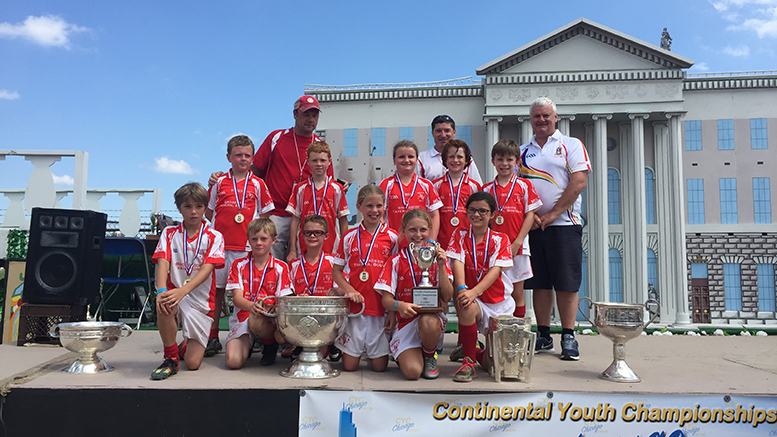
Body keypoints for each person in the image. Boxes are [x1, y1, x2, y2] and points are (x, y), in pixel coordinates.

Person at [210, 95, 340, 261]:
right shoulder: (276, 138)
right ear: (295, 114)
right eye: (306, 114)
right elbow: (253, 170)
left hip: (304, 216)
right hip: (276, 213)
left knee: (302, 263)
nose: (310, 119)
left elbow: (327, 182)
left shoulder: (320, 146)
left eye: (314, 115)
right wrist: (226, 179)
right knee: (270, 261)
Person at [519, 97, 591, 361]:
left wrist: (553, 214)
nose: (541, 120)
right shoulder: (523, 150)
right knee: (540, 283)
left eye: (546, 116)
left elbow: (579, 181)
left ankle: (569, 335)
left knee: (566, 283)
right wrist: (533, 218)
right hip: (534, 227)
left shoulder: (570, 145)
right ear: (531, 120)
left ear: (555, 117)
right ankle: (544, 334)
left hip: (564, 224)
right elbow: (518, 188)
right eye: (537, 116)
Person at [205, 135, 274, 358]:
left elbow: (264, 217)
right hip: (220, 248)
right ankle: (213, 336)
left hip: (246, 248)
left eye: (247, 155)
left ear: (252, 158)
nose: (243, 159)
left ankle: (253, 336)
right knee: (216, 293)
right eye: (238, 155)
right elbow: (209, 212)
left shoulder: (258, 184)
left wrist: (260, 245)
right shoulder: (219, 182)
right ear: (229, 157)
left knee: (248, 293)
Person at [151, 182, 225, 380]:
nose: (193, 211)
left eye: (199, 206)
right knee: (164, 302)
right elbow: (162, 262)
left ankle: (184, 346)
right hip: (175, 295)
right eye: (187, 206)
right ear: (179, 208)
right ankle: (171, 358)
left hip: (201, 302)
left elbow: (207, 270)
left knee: (193, 364)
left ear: (205, 208)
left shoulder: (214, 236)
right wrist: (160, 291)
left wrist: (183, 291)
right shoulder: (169, 233)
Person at [375, 209, 453, 380]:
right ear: (403, 231)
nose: (418, 234)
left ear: (430, 230)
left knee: (429, 321)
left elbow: (447, 296)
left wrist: (440, 266)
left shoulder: (438, 258)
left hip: (430, 322)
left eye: (423, 230)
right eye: (412, 230)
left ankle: (429, 356)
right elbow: (386, 299)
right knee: (412, 373)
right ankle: (407, 355)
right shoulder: (396, 261)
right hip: (405, 322)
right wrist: (399, 306)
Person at [446, 192, 514, 382]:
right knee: (465, 304)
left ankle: (471, 350)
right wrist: (462, 291)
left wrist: (474, 291)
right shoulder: (459, 235)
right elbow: (457, 263)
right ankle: (468, 362)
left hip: (499, 304)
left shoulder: (500, 239)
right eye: (472, 210)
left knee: (498, 365)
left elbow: (495, 271)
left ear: (492, 214)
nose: (477, 215)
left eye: (483, 211)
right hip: (473, 299)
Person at [332, 185, 399, 373]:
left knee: (379, 368)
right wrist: (349, 290)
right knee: (350, 367)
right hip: (356, 309)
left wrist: (393, 310)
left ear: (385, 207)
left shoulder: (393, 238)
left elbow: (397, 275)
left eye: (379, 205)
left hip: (380, 309)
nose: (374, 211)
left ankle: (376, 352)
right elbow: (336, 271)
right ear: (359, 206)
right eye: (369, 206)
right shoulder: (349, 237)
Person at [481, 139, 541, 320]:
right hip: (493, 250)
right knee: (494, 290)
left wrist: (517, 242)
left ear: (517, 162)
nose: (504, 164)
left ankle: (518, 332)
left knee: (517, 291)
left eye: (509, 160)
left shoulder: (525, 186)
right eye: (500, 159)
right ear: (493, 161)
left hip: (518, 247)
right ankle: (496, 331)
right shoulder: (486, 189)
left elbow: (529, 216)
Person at [224, 218, 294, 369]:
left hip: (268, 319)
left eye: (264, 239)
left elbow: (283, 299)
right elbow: (237, 298)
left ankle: (270, 346)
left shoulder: (281, 267)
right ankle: (248, 343)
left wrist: (274, 307)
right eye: (254, 239)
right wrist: (251, 306)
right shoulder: (238, 265)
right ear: (248, 240)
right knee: (233, 362)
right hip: (244, 315)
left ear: (273, 240)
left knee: (258, 320)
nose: (259, 243)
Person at [286, 141, 349, 263]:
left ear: (329, 161)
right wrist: (293, 249)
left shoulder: (337, 188)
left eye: (322, 160)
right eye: (314, 160)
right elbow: (295, 220)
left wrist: (344, 247)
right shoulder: (300, 189)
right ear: (308, 161)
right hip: (304, 245)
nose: (319, 164)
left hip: (331, 246)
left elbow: (343, 219)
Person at [379, 140, 442, 239]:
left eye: (411, 156)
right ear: (394, 160)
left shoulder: (426, 185)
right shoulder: (386, 184)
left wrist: (431, 241)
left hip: (419, 241)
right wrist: (387, 237)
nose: (406, 160)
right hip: (394, 242)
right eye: (401, 157)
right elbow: (379, 214)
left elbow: (434, 216)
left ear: (417, 160)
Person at [432, 139, 482, 250]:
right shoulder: (435, 186)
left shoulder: (474, 186)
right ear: (444, 160)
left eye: (460, 157)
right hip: (441, 242)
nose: (455, 160)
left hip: (467, 243)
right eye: (451, 157)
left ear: (466, 160)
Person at [416, 114, 483, 184]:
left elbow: (477, 186)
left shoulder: (465, 157)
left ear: (454, 132)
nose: (443, 135)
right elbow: (416, 186)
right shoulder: (421, 158)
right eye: (438, 131)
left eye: (447, 130)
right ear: (432, 133)